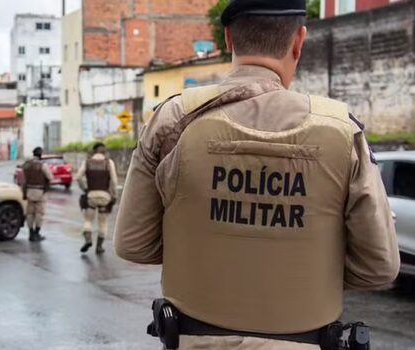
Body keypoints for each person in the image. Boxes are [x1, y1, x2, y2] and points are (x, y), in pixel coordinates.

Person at [113, 1, 400, 349]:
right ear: (299, 40)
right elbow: (378, 267)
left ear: (229, 37)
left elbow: (133, 244)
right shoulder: (341, 130)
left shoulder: (172, 120)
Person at [76, 143, 118, 254]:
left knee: (88, 220)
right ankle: (99, 247)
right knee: (103, 222)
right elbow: (114, 181)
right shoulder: (109, 163)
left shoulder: (87, 162)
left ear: (94, 151)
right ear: (104, 151)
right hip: (105, 196)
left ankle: (88, 239)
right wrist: (114, 195)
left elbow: (78, 177)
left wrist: (84, 188)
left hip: (91, 196)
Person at [21, 147, 53, 242]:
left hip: (29, 191)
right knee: (39, 213)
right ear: (41, 155)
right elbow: (50, 177)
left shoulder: (26, 165)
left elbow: (24, 179)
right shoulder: (42, 165)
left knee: (30, 213)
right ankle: (36, 233)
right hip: (40, 192)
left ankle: (30, 233)